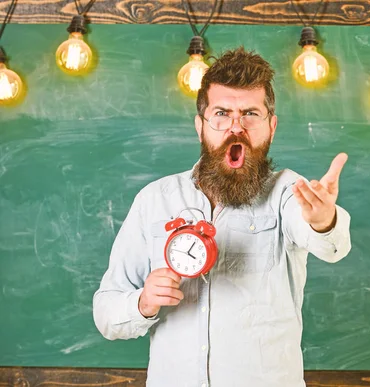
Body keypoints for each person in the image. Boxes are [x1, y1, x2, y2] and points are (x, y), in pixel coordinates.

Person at [93, 47, 352, 387]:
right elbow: (106, 313)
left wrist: (323, 219)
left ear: (271, 127)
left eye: (250, 114)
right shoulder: (155, 200)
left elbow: (332, 246)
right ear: (200, 126)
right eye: (221, 113)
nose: (235, 127)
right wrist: (142, 302)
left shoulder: (289, 192)